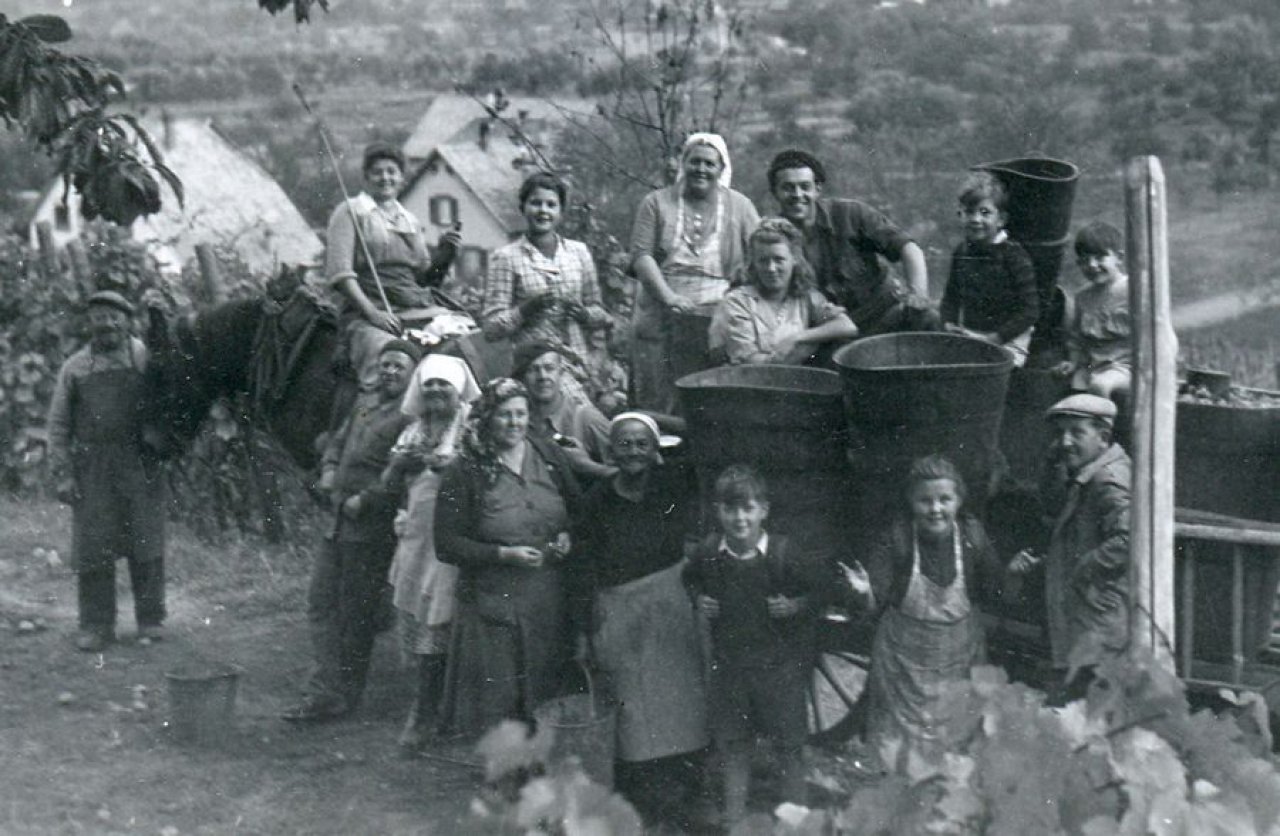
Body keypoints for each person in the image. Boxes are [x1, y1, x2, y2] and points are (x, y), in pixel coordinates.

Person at [573, 413, 707, 827]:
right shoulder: (596, 500)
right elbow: (582, 566)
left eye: (642, 443)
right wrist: (584, 627)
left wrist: (661, 419)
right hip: (618, 608)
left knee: (681, 700)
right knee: (633, 707)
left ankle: (687, 793)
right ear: (611, 451)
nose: (633, 452)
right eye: (624, 444)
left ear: (655, 451)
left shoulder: (671, 484)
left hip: (669, 603)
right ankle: (641, 799)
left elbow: (699, 440)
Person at [434, 378, 581, 737]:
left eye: (521, 414)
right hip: (494, 602)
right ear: (487, 418)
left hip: (548, 598)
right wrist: (503, 554)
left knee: (548, 688)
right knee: (502, 698)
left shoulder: (547, 454)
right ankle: (507, 764)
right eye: (504, 415)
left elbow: (578, 509)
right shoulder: (464, 470)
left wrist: (568, 535)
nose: (515, 423)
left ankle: (545, 760)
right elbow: (446, 544)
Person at [282, 339, 419, 722]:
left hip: (371, 528)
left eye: (399, 366)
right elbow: (338, 441)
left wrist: (368, 499)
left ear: (412, 375)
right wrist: (328, 469)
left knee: (356, 611)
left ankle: (343, 693)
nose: (390, 372)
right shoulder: (364, 404)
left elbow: (401, 474)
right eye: (386, 364)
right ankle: (326, 687)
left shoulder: (411, 418)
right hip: (336, 522)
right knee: (320, 602)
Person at [842, 455, 1003, 767]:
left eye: (945, 499)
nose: (935, 509)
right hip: (902, 664)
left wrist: (1012, 574)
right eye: (925, 501)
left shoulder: (972, 536)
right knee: (899, 754)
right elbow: (876, 599)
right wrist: (865, 592)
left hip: (959, 657)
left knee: (954, 748)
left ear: (959, 500)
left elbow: (995, 587)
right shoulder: (898, 538)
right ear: (911, 502)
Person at [683, 465, 820, 826]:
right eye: (730, 509)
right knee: (734, 747)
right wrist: (700, 600)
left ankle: (795, 823)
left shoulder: (783, 553)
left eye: (748, 508)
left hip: (779, 671)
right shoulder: (709, 553)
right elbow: (689, 579)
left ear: (764, 511)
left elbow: (819, 593)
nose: (739, 518)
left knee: (789, 748)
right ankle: (734, 820)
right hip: (731, 670)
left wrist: (795, 605)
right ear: (718, 512)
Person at [46, 290, 166, 652]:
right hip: (93, 467)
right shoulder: (75, 368)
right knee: (94, 546)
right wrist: (63, 474)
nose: (107, 324)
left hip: (140, 462)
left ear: (127, 321)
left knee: (146, 540)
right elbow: (58, 425)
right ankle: (96, 625)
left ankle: (150, 620)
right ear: (90, 323)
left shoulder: (145, 357)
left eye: (115, 317)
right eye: (100, 317)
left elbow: (168, 400)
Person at [380, 353, 480, 751]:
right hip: (416, 538)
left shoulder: (472, 427)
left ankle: (428, 714)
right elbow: (389, 485)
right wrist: (399, 465)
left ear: (459, 390)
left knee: (441, 622)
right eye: (430, 384)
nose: (436, 391)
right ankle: (428, 709)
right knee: (419, 620)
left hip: (452, 538)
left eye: (445, 384)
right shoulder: (413, 431)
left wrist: (453, 466)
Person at [1010, 394, 1132, 702]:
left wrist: (1081, 570)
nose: (1065, 441)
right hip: (1087, 617)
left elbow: (1129, 538)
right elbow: (1054, 507)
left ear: (1103, 437)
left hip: (1097, 620)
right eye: (1060, 433)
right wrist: (1053, 462)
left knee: (1089, 700)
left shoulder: (1107, 480)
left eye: (1077, 432)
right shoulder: (1089, 472)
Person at [630, 133, 760, 410]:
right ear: (684, 164)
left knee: (711, 393)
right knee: (659, 393)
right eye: (695, 161)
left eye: (709, 164)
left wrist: (739, 293)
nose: (701, 169)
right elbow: (641, 256)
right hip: (662, 308)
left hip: (719, 312)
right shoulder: (656, 202)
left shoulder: (740, 206)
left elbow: (759, 252)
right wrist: (669, 298)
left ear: (721, 169)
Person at [325, 142, 460, 390]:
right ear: (366, 177)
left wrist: (445, 255)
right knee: (389, 358)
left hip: (412, 305)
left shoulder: (409, 220)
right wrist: (373, 314)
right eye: (377, 172)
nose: (385, 178)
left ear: (401, 178)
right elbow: (341, 275)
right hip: (367, 310)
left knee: (463, 338)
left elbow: (424, 279)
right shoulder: (351, 212)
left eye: (391, 171)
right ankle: (372, 410)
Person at [766, 149, 937, 336]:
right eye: (788, 188)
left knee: (928, 318)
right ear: (775, 192)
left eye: (805, 186)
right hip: (835, 331)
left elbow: (909, 249)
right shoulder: (773, 237)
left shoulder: (850, 214)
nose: (797, 194)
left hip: (886, 314)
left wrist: (918, 294)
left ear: (817, 189)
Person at [480, 171, 613, 393]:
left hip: (579, 365)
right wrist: (526, 309)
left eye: (551, 205)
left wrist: (585, 314)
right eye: (536, 203)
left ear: (560, 212)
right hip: (534, 368)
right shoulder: (506, 257)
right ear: (523, 207)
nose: (543, 211)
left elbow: (600, 313)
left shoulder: (578, 252)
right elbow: (491, 329)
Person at [709, 217, 859, 366]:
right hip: (749, 379)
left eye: (779, 259)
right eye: (763, 260)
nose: (771, 268)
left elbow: (847, 326)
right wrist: (803, 349)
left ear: (794, 260)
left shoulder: (806, 297)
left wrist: (798, 338)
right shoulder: (737, 302)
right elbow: (752, 365)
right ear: (753, 263)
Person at [940, 171, 1039, 367]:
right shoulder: (961, 252)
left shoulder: (1014, 255)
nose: (976, 219)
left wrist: (995, 338)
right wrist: (948, 323)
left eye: (985, 213)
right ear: (961, 215)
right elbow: (951, 296)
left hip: (1009, 337)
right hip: (973, 333)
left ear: (1001, 219)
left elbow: (1030, 310)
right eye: (969, 212)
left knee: (990, 372)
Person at [513, 340, 616, 481]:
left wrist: (588, 466)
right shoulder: (517, 423)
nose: (542, 376)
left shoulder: (586, 418)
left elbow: (629, 476)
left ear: (561, 373)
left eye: (549, 368)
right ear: (520, 378)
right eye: (532, 370)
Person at [1054, 222, 1132, 399]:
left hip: (1128, 367)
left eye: (1100, 257)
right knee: (1063, 385)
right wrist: (1072, 362)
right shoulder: (1083, 297)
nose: (1092, 265)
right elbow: (1077, 340)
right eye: (1084, 260)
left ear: (1119, 258)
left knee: (1100, 385)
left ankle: (1101, 417)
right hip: (1093, 367)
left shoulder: (1134, 291)